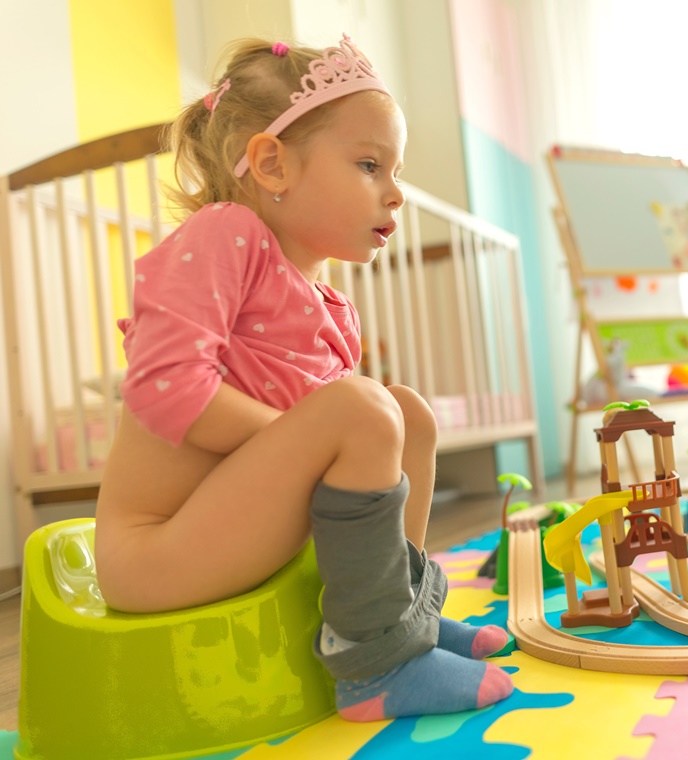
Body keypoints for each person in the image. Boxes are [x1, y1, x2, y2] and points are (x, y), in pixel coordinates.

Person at [94, 34, 514, 722]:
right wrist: (308, 438)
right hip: (155, 554)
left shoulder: (324, 300)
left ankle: (404, 615)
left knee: (405, 413)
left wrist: (326, 435)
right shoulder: (222, 234)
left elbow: (348, 452)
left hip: (229, 530)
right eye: (370, 165)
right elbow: (164, 383)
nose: (397, 193)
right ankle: (377, 666)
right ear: (272, 164)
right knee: (362, 408)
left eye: (393, 169)